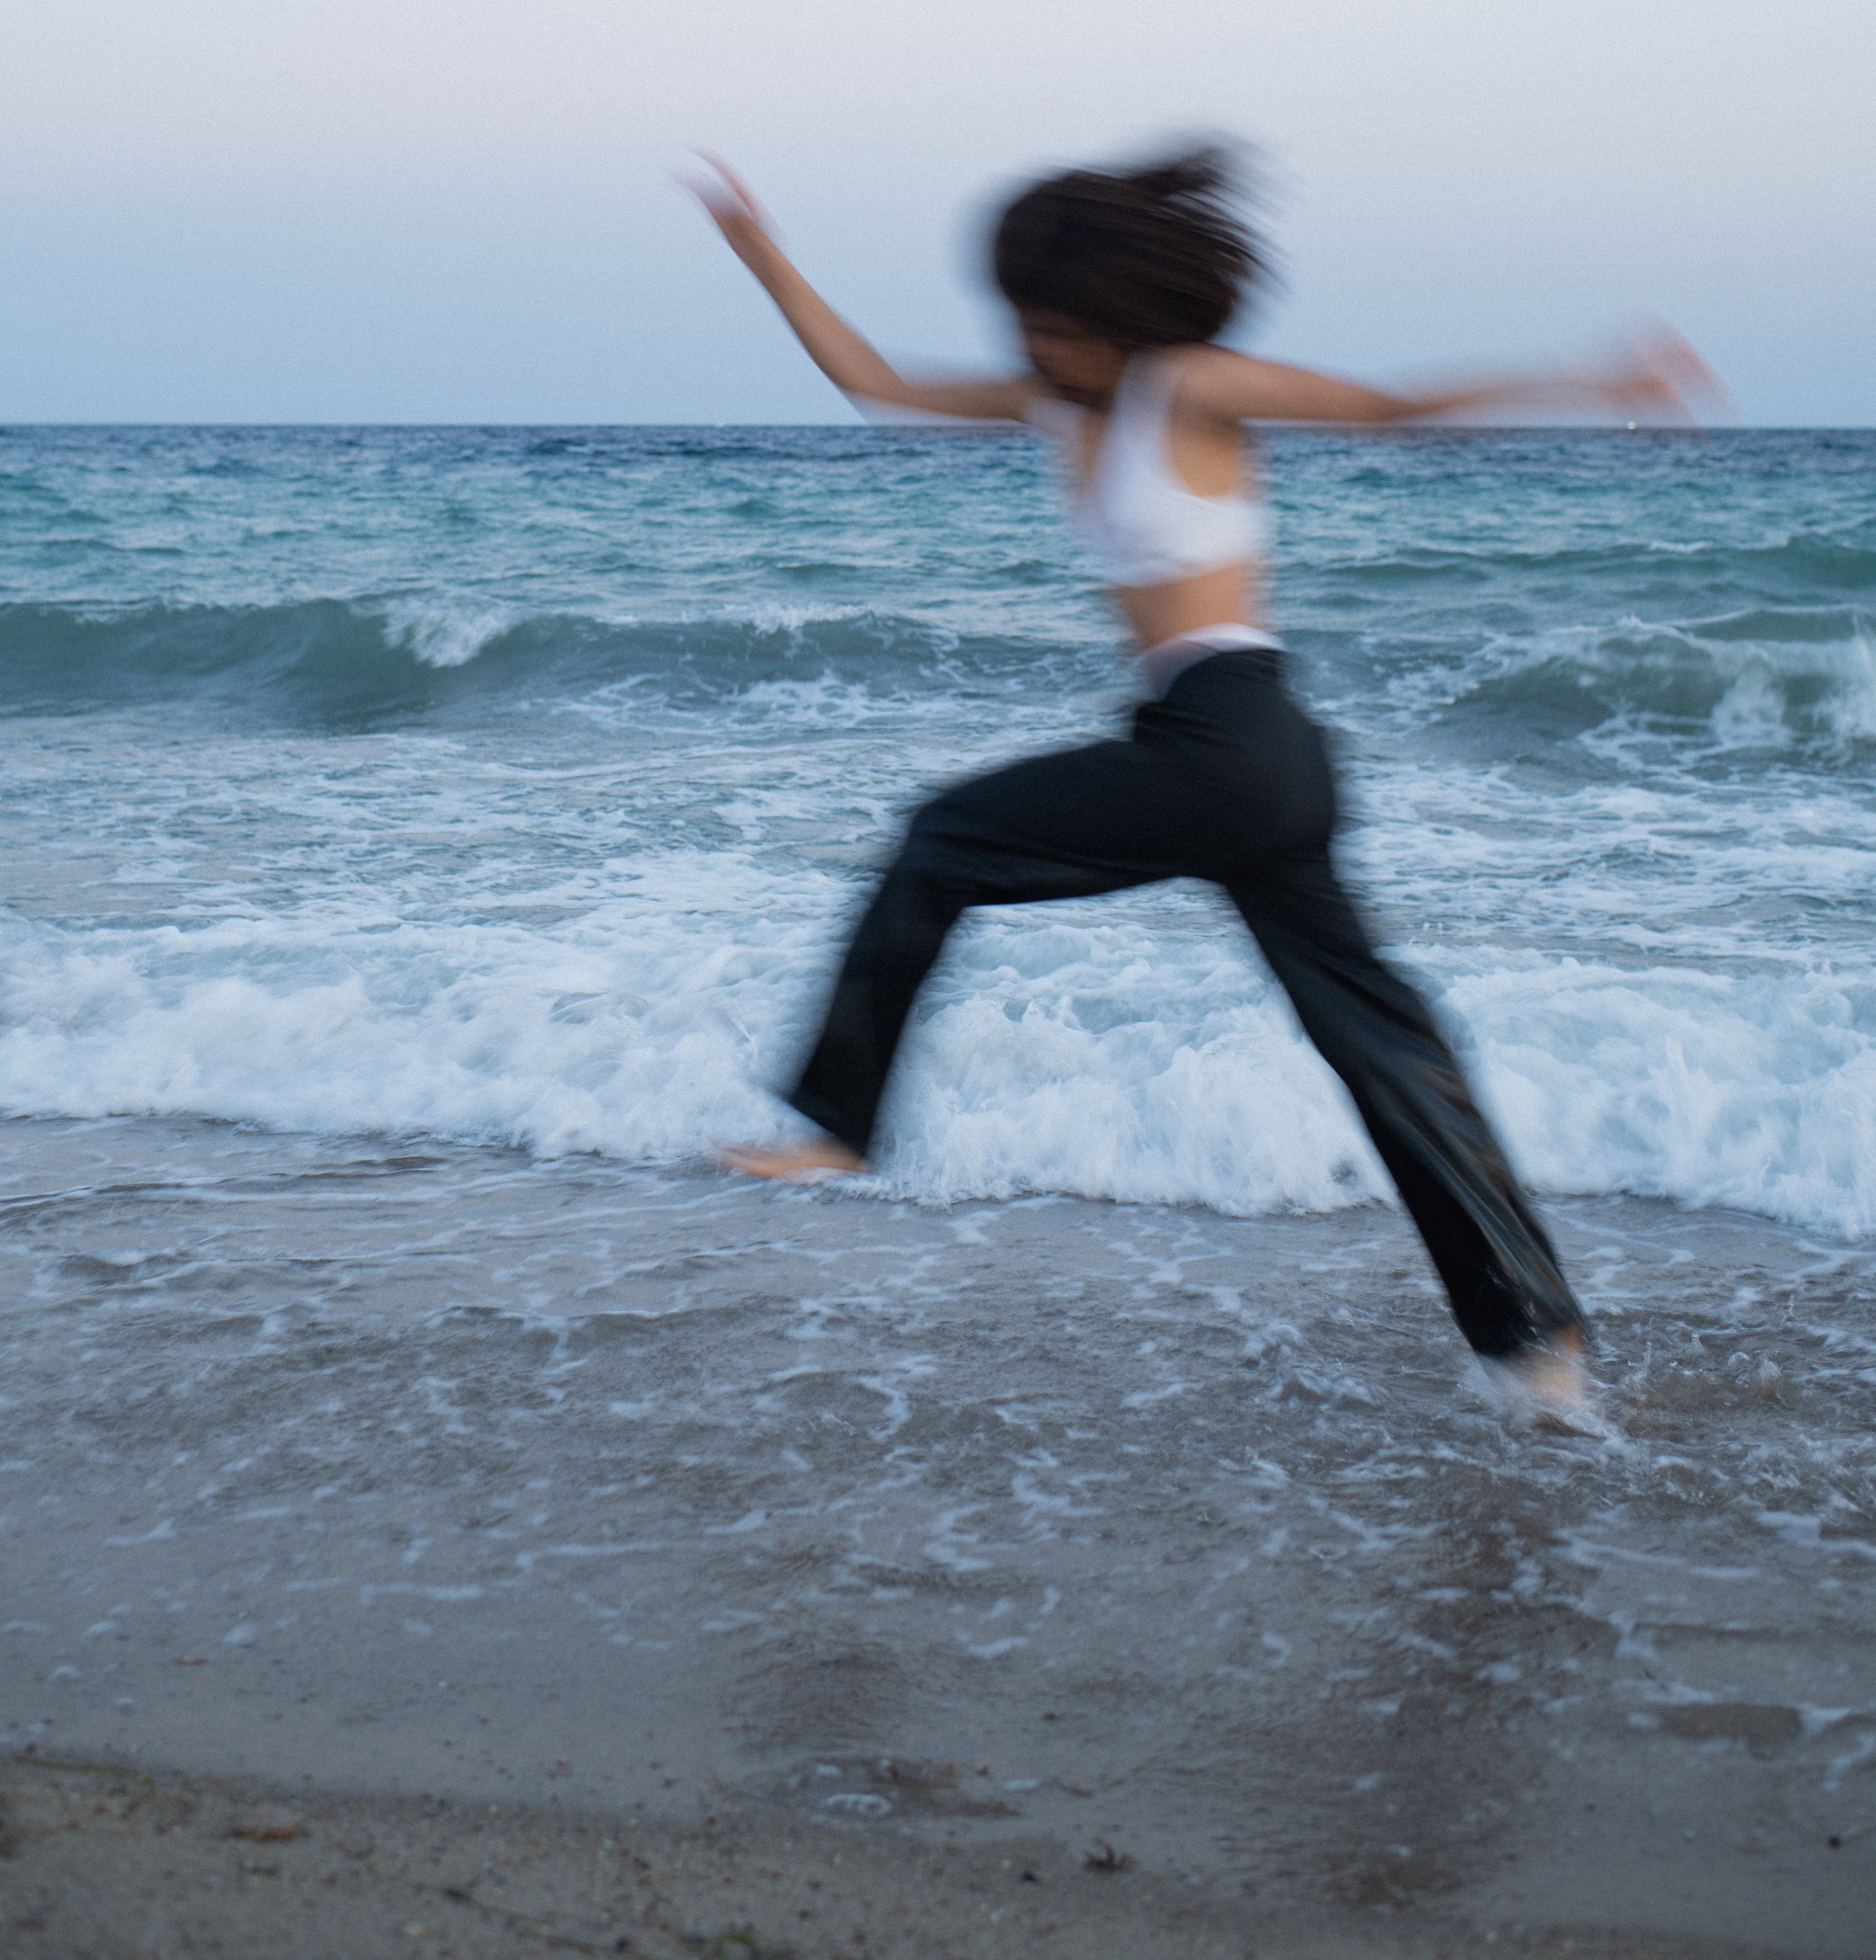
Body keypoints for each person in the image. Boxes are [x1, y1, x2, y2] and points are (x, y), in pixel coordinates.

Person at [688, 145, 1712, 1421]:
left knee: (941, 836)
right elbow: (877, 384)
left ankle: (838, 1121)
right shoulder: (1055, 403)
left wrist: (1598, 378)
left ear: (1121, 314)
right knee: (1387, 1051)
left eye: (1053, 321)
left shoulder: (1188, 386)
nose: (1032, 342)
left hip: (1228, 742)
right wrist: (761, 251)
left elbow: (1393, 410)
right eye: (1020, 319)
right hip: (1252, 759)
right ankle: (1536, 1343)